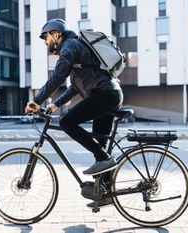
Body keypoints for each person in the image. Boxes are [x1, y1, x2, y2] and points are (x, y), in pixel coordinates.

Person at [25, 19, 123, 206]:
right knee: (100, 150)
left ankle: (104, 159)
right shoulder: (76, 47)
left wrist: (36, 101)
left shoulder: (69, 46)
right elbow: (75, 86)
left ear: (56, 34)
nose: (45, 43)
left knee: (66, 122)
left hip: (104, 95)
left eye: (46, 38)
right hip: (109, 94)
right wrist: (55, 104)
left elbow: (58, 76)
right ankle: (105, 194)